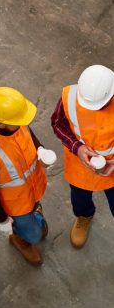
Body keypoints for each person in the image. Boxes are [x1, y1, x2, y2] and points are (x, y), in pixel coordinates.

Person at [0, 87, 56, 266]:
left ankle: (33, 217)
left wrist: (40, 149)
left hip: (33, 188)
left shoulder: (16, 123)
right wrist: (1, 218)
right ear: (0, 122)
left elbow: (29, 134)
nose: (23, 123)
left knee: (37, 216)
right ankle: (19, 238)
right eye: (19, 120)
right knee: (35, 235)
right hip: (15, 205)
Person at [51, 64, 114, 249]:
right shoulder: (70, 98)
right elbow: (57, 123)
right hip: (80, 165)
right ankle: (84, 216)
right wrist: (77, 147)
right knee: (79, 198)